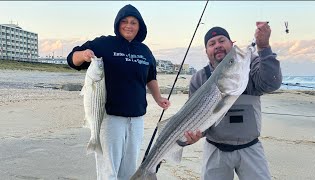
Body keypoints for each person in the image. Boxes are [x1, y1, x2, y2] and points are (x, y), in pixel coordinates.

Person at [66, 4, 170, 180]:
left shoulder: (145, 51)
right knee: (109, 170)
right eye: (125, 21)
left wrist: (158, 98)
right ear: (118, 24)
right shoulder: (104, 44)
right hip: (109, 118)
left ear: (140, 26)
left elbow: (151, 77)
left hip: (137, 119)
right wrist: (83, 54)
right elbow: (72, 59)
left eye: (133, 22)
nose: (129, 26)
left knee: (128, 170)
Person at [184, 22, 282, 180]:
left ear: (232, 43)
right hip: (215, 148)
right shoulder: (199, 78)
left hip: (250, 147)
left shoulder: (248, 64)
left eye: (222, 40)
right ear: (206, 51)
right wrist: (193, 136)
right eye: (212, 43)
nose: (217, 45)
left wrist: (264, 47)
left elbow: (272, 82)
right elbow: (195, 117)